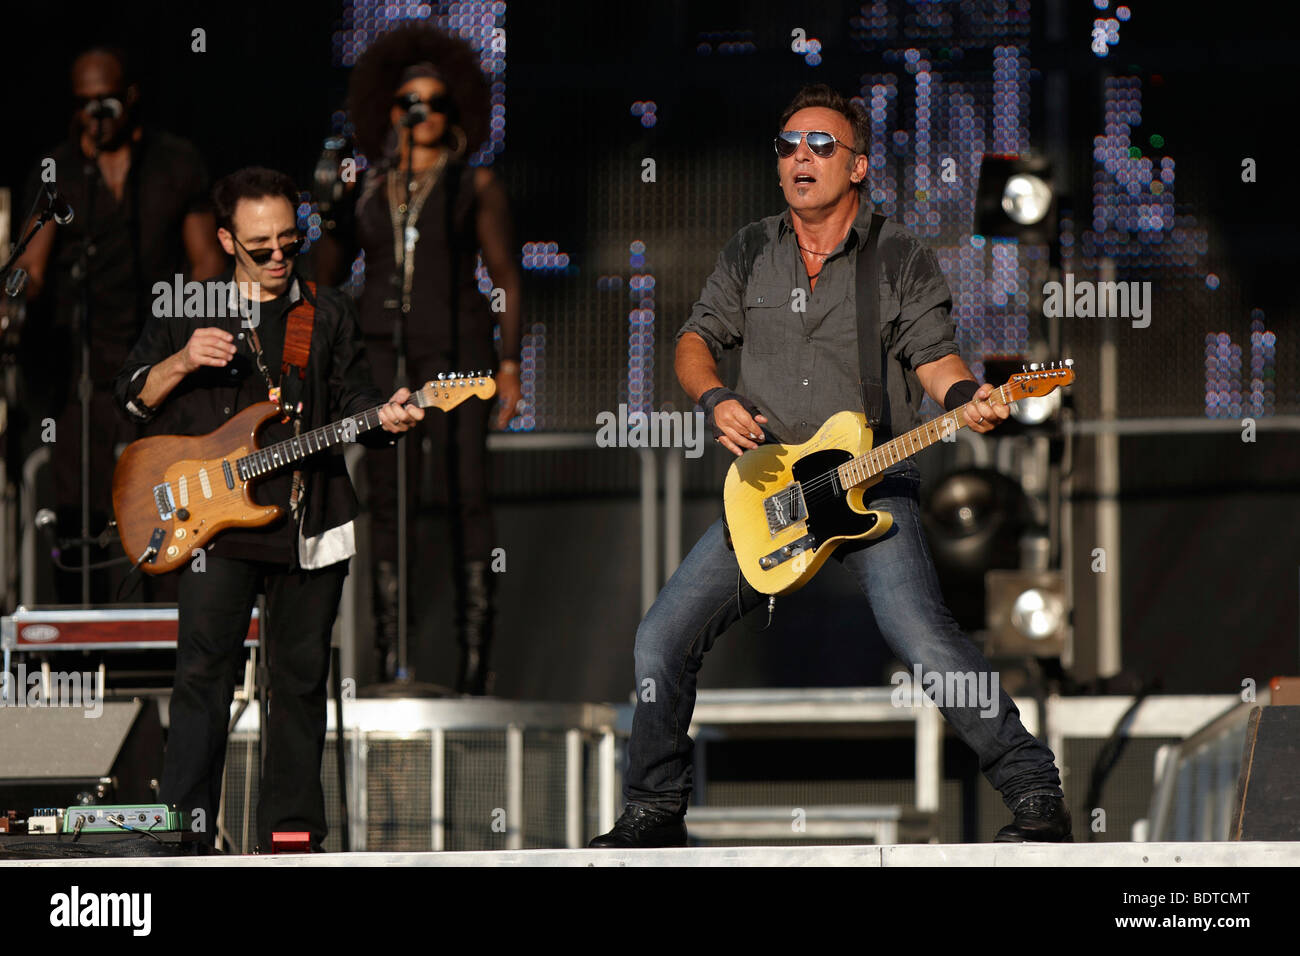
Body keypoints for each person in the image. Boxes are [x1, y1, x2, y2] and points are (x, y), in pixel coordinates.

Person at [589, 85, 1071, 848]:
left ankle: (1036, 795)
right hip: (773, 492)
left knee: (925, 640)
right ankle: (654, 812)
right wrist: (714, 397)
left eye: (819, 145)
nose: (800, 158)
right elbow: (693, 340)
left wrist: (974, 396)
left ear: (857, 167)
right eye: (787, 145)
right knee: (661, 638)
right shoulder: (751, 249)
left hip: (872, 480)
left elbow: (935, 360)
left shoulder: (899, 255)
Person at [114, 167, 423, 851]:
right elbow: (131, 397)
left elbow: (354, 406)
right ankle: (185, 838)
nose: (280, 258)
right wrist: (183, 362)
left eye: (291, 241)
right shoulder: (184, 308)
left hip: (307, 522)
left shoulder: (329, 310)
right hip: (214, 526)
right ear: (227, 240)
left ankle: (291, 840)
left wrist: (387, 417)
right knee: (202, 676)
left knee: (300, 680)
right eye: (262, 248)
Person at [317, 24, 521, 693]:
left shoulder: (473, 182)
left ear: (452, 110)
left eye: (434, 102)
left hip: (458, 352)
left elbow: (506, 277)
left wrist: (511, 363)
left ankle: (474, 665)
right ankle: (386, 659)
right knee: (387, 498)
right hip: (382, 352)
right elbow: (328, 271)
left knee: (466, 494)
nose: (422, 113)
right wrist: (330, 214)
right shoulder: (371, 188)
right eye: (410, 101)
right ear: (391, 108)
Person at [15, 46, 225, 602]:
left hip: (159, 354)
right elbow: (31, 268)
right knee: (77, 492)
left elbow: (206, 259)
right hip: (83, 357)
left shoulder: (175, 162)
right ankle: (79, 637)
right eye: (82, 104)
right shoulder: (58, 169)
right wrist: (15, 292)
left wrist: (183, 331)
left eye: (104, 102)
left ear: (129, 97)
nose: (94, 115)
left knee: (161, 487)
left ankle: (162, 631)